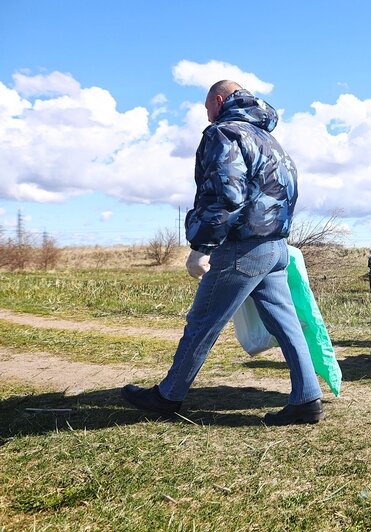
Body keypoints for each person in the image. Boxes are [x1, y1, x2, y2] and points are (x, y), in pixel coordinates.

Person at [121, 80, 324, 425]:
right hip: (276, 247)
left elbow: (225, 194)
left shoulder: (225, 133)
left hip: (243, 249)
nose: (207, 115)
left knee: (202, 322)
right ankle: (306, 397)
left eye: (206, 108)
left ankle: (168, 396)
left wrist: (202, 246)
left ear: (218, 101)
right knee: (286, 325)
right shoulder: (270, 140)